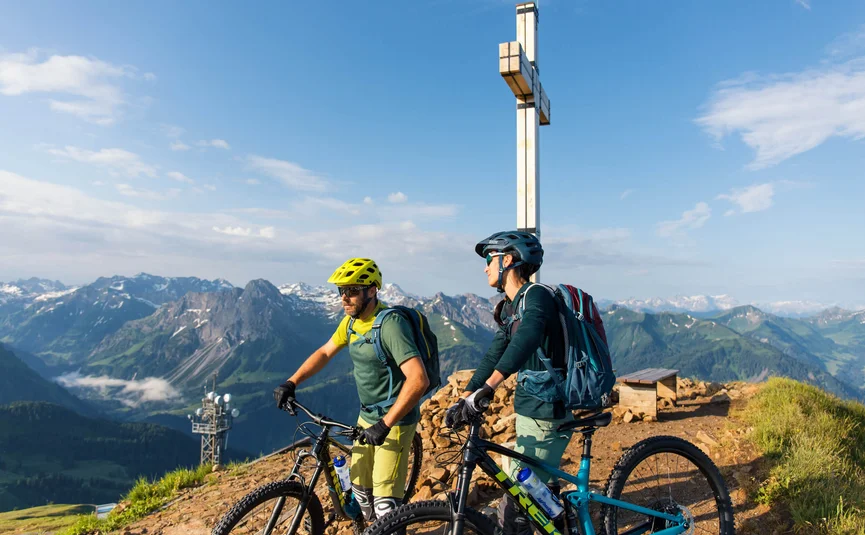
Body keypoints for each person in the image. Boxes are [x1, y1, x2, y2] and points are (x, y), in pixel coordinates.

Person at [274, 258, 430, 527]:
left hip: (395, 421)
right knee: (360, 492)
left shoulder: (390, 325)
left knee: (384, 505)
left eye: (353, 291)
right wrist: (292, 382)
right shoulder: (350, 323)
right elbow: (324, 352)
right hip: (366, 418)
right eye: (341, 291)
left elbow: (418, 380)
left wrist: (386, 424)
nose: (345, 298)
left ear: (372, 290)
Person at [446, 231, 575, 535]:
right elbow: (495, 353)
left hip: (548, 410)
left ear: (508, 260)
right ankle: (560, 519)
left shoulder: (537, 296)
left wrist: (490, 387)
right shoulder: (509, 306)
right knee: (528, 486)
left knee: (519, 499)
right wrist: (465, 396)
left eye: (489, 259)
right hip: (532, 410)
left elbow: (527, 338)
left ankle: (559, 523)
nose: (485, 267)